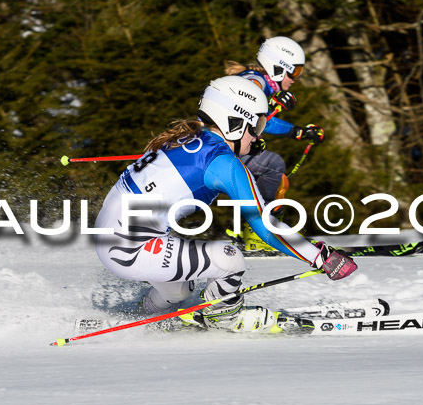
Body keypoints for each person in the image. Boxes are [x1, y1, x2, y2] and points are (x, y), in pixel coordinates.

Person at [94, 76, 357, 333]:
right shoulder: (223, 164)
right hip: (129, 249)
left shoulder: (189, 138)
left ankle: (146, 314)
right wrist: (320, 256)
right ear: (235, 122)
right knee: (229, 259)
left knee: (180, 289)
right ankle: (224, 315)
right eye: (256, 127)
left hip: (113, 239)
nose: (258, 136)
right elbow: (265, 225)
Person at [225, 36, 325, 251]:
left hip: (225, 150)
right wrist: (271, 106)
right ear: (279, 68)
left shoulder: (258, 82)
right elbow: (243, 108)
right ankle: (259, 232)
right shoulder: (255, 82)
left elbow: (261, 119)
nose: (296, 79)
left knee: (274, 176)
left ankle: (254, 230)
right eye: (295, 71)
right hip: (220, 151)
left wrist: (299, 132)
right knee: (273, 165)